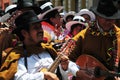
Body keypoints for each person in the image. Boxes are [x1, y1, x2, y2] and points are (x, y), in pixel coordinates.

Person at [0, 10, 90, 80]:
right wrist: (43, 75)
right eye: (36, 28)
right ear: (24, 33)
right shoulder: (17, 56)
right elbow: (19, 78)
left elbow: (62, 76)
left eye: (40, 26)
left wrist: (64, 68)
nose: (41, 30)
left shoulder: (48, 50)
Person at [68, 0, 120, 80]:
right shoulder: (84, 35)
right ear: (97, 16)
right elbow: (67, 60)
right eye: (105, 18)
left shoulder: (118, 35)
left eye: (112, 18)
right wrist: (77, 72)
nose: (108, 22)